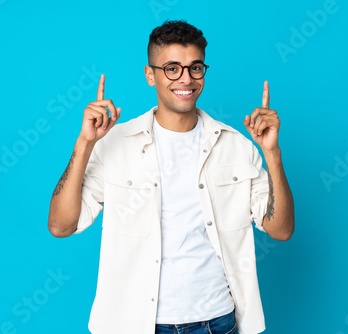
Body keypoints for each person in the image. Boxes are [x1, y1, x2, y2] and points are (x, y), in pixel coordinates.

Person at [48, 20, 294, 334]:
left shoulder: (235, 146)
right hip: (135, 325)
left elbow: (281, 229)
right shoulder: (114, 144)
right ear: (150, 74)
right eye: (172, 68)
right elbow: (60, 225)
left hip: (216, 322)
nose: (186, 79)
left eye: (195, 68)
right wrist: (84, 143)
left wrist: (272, 153)